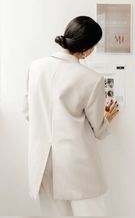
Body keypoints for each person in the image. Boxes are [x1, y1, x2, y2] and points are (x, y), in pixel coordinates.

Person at [22, 16, 119, 216]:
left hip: (42, 163)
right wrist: (107, 118)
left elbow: (28, 112)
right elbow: (99, 130)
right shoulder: (92, 79)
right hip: (77, 164)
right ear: (88, 49)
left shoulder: (35, 67)